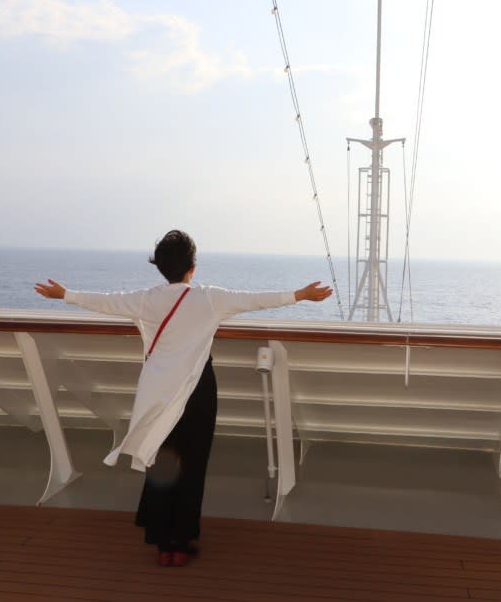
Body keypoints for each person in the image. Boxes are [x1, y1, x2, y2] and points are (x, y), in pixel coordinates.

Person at [34, 230, 332, 567]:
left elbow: (107, 302)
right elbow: (256, 300)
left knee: (162, 463)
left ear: (161, 267)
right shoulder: (210, 298)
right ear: (193, 266)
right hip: (197, 391)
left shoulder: (147, 300)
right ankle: (181, 542)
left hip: (158, 393)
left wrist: (65, 294)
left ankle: (162, 543)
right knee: (192, 465)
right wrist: (301, 295)